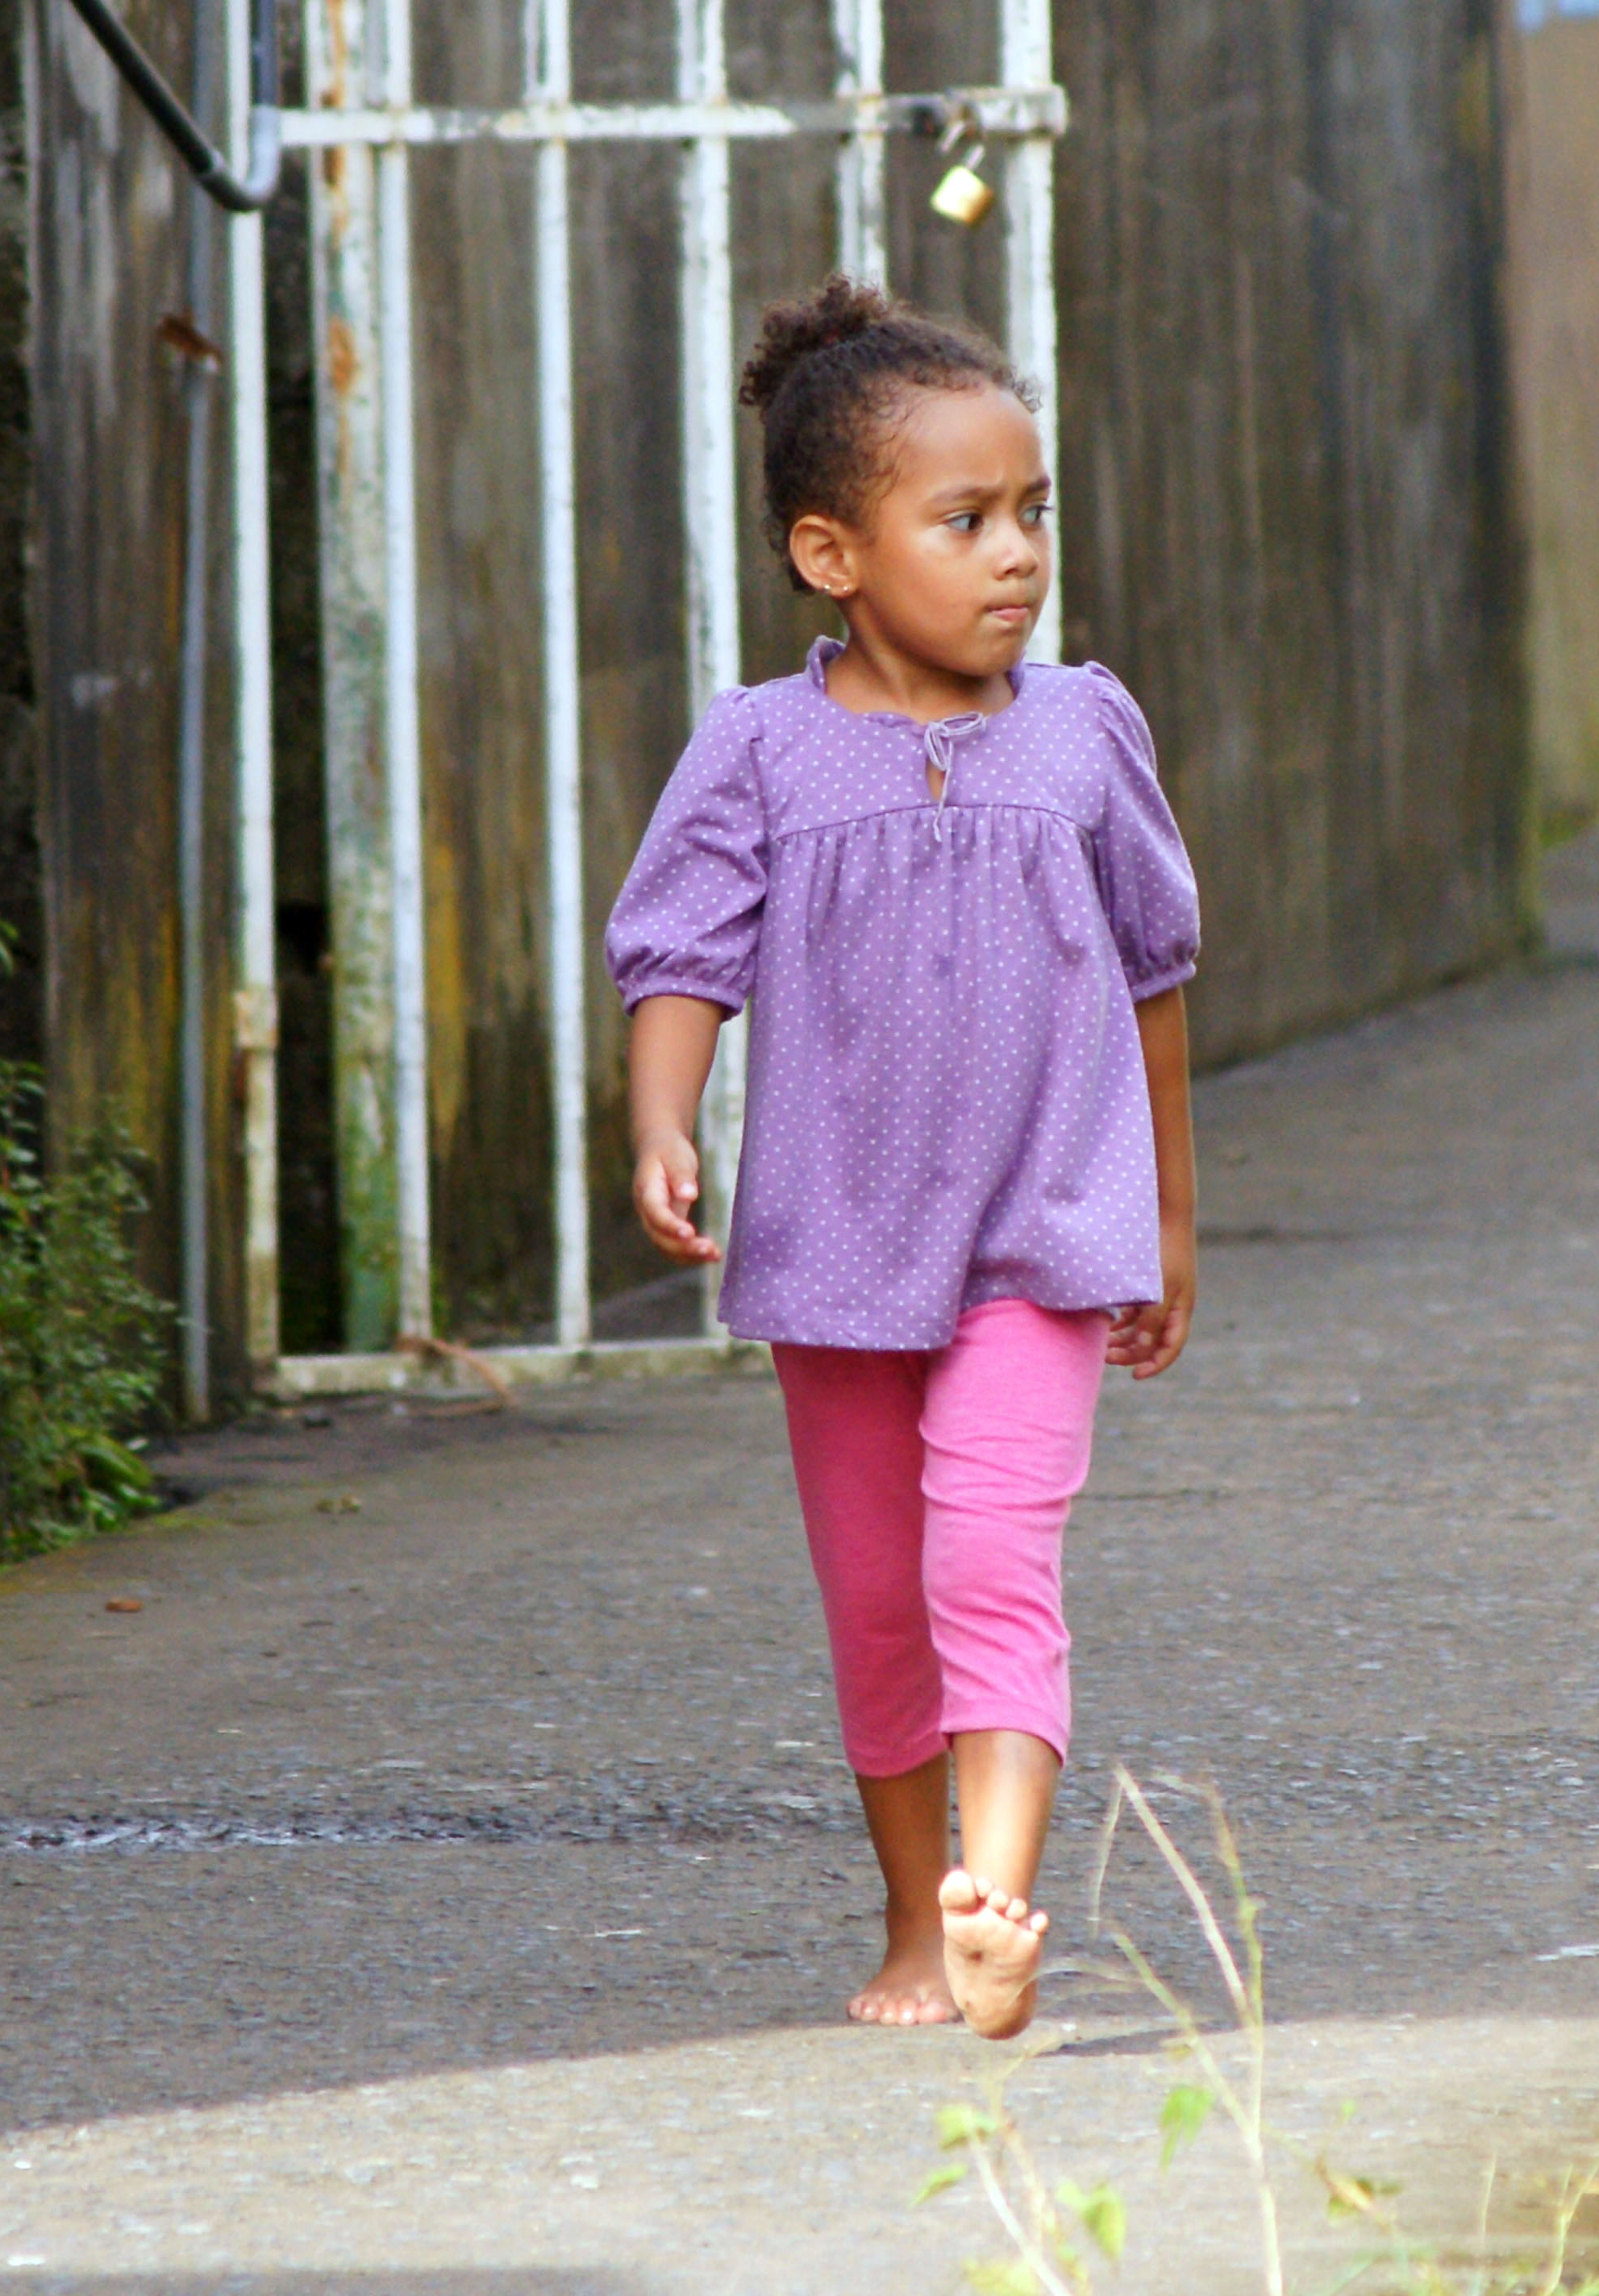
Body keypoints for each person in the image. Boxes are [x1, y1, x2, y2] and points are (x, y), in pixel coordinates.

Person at [602, 276, 1201, 2040]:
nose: (1017, 554)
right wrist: (661, 1117)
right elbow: (681, 954)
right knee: (880, 1608)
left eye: (1033, 512)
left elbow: (1155, 974)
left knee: (990, 1566)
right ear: (832, 554)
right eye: (965, 520)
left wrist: (1168, 1221)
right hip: (838, 1247)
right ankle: (911, 1916)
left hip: (1045, 1238)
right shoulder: (759, 748)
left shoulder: (1084, 727)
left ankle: (997, 1901)